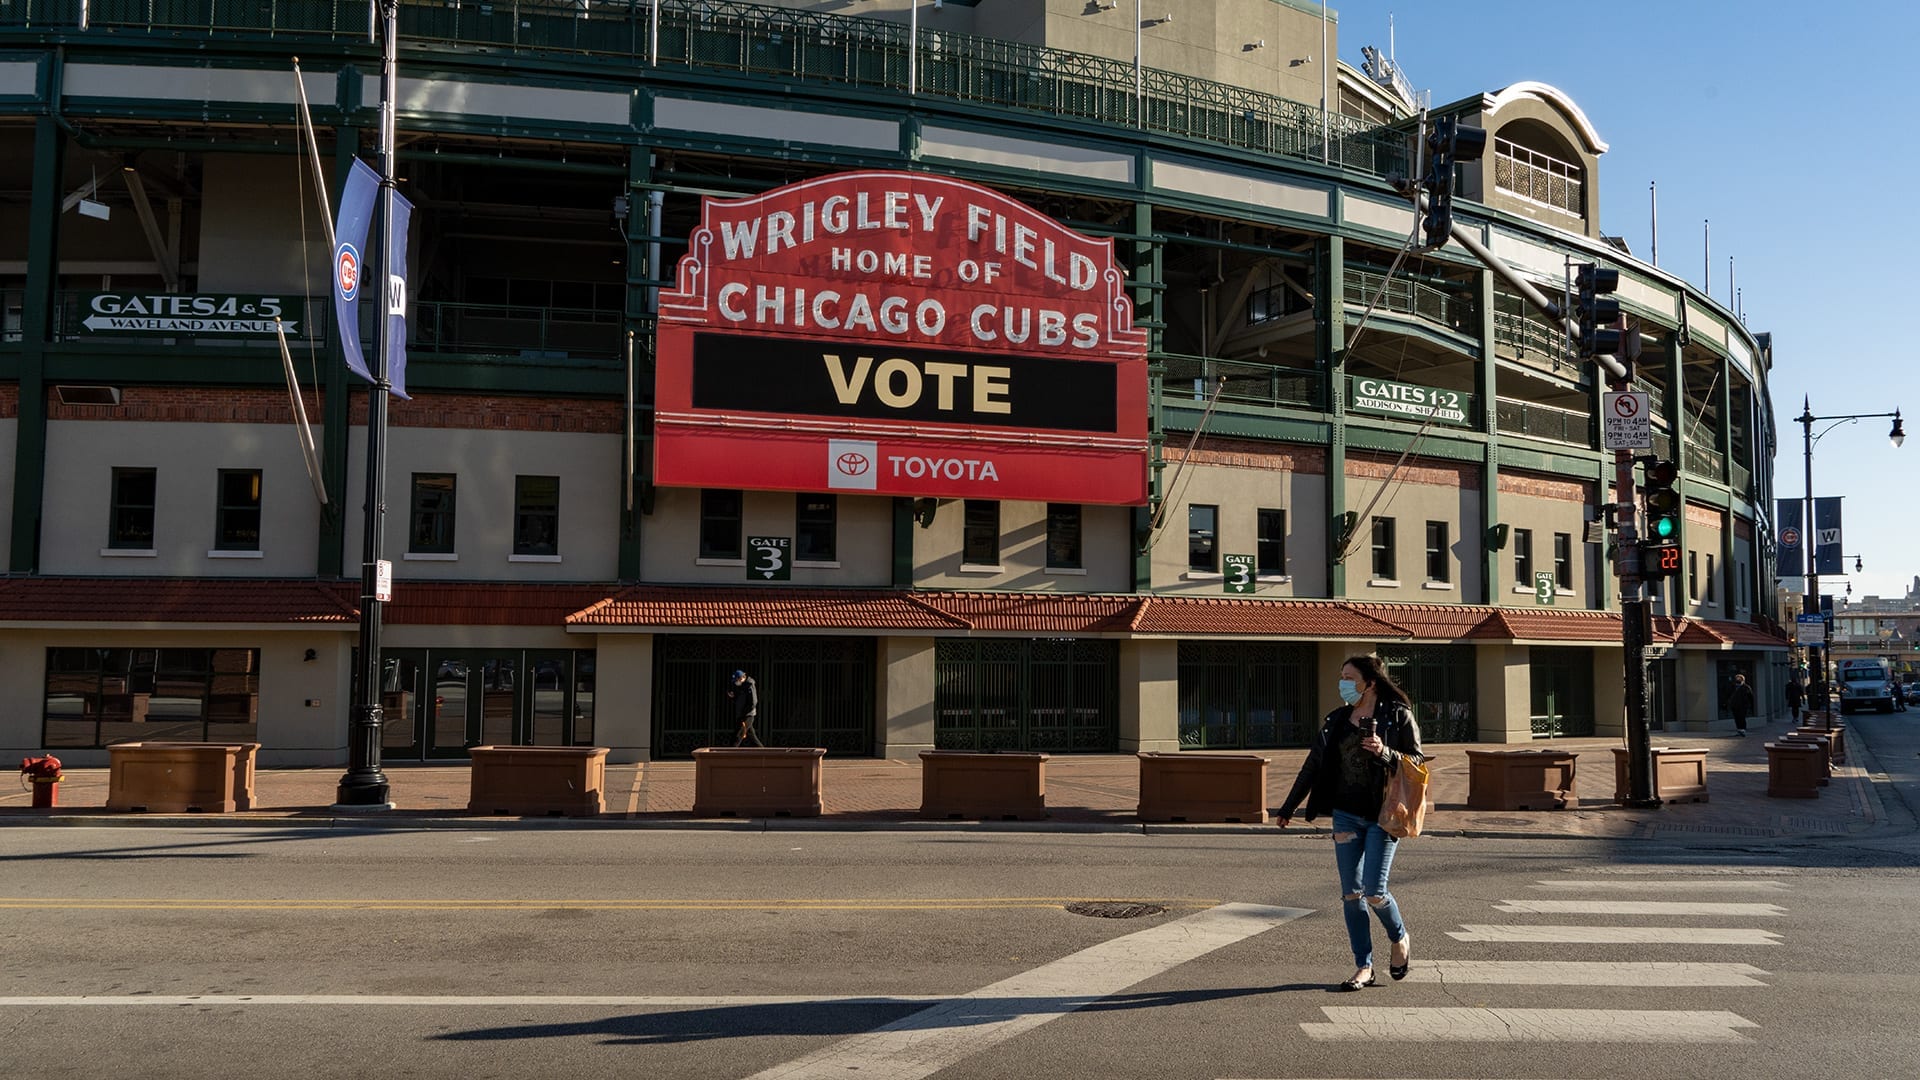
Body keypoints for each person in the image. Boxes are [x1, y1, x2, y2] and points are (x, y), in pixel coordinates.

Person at [1277, 654, 1424, 992]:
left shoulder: (1398, 715)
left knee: (1374, 892)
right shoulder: (1337, 720)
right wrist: (1288, 807)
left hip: (1384, 815)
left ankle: (1399, 936)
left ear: (1369, 682)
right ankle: (1364, 966)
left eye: (1349, 677)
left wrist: (1385, 751)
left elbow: (1417, 762)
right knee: (1351, 894)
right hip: (1345, 814)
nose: (1343, 683)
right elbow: (1312, 766)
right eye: (1341, 676)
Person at [726, 669, 763, 747]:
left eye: (736, 680)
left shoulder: (749, 685)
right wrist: (733, 697)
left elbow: (753, 702)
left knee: (737, 735)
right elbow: (740, 700)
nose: (736, 682)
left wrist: (744, 713)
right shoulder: (742, 685)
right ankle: (763, 753)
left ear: (741, 678)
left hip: (747, 715)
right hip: (743, 714)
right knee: (752, 737)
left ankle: (729, 755)